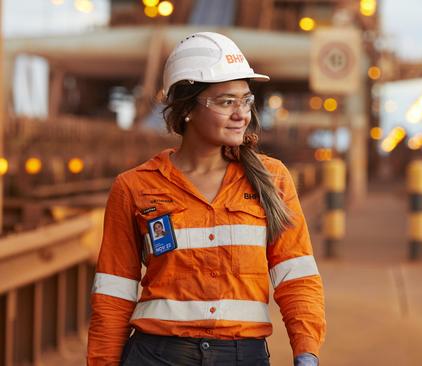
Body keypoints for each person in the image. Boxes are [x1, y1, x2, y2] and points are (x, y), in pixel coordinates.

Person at [87, 32, 325, 366]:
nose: (241, 114)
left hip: (243, 356)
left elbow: (296, 277)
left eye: (246, 101)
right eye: (227, 102)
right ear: (187, 109)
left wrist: (306, 350)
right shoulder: (135, 187)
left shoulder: (272, 179)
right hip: (156, 356)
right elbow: (113, 294)